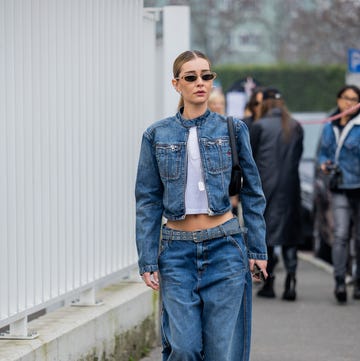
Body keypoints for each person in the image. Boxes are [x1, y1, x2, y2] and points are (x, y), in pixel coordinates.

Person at [135, 50, 268, 361]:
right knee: (183, 348)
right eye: (191, 77)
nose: (200, 82)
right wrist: (147, 258)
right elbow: (148, 200)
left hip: (225, 246)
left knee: (223, 351)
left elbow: (253, 192)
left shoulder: (233, 129)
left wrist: (258, 249)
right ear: (176, 84)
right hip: (176, 252)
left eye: (206, 76)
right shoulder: (156, 134)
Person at [249, 87, 304, 301]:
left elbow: (251, 159)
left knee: (266, 236)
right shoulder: (295, 126)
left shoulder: (259, 126)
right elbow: (297, 157)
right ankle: (291, 280)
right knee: (290, 237)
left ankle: (268, 283)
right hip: (291, 188)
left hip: (265, 188)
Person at [318, 84, 360, 303]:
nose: (349, 103)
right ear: (338, 99)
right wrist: (324, 164)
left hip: (358, 187)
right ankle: (340, 281)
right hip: (339, 186)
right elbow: (322, 152)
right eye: (346, 98)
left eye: (354, 99)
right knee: (341, 235)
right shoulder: (330, 125)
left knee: (359, 238)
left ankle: (358, 280)